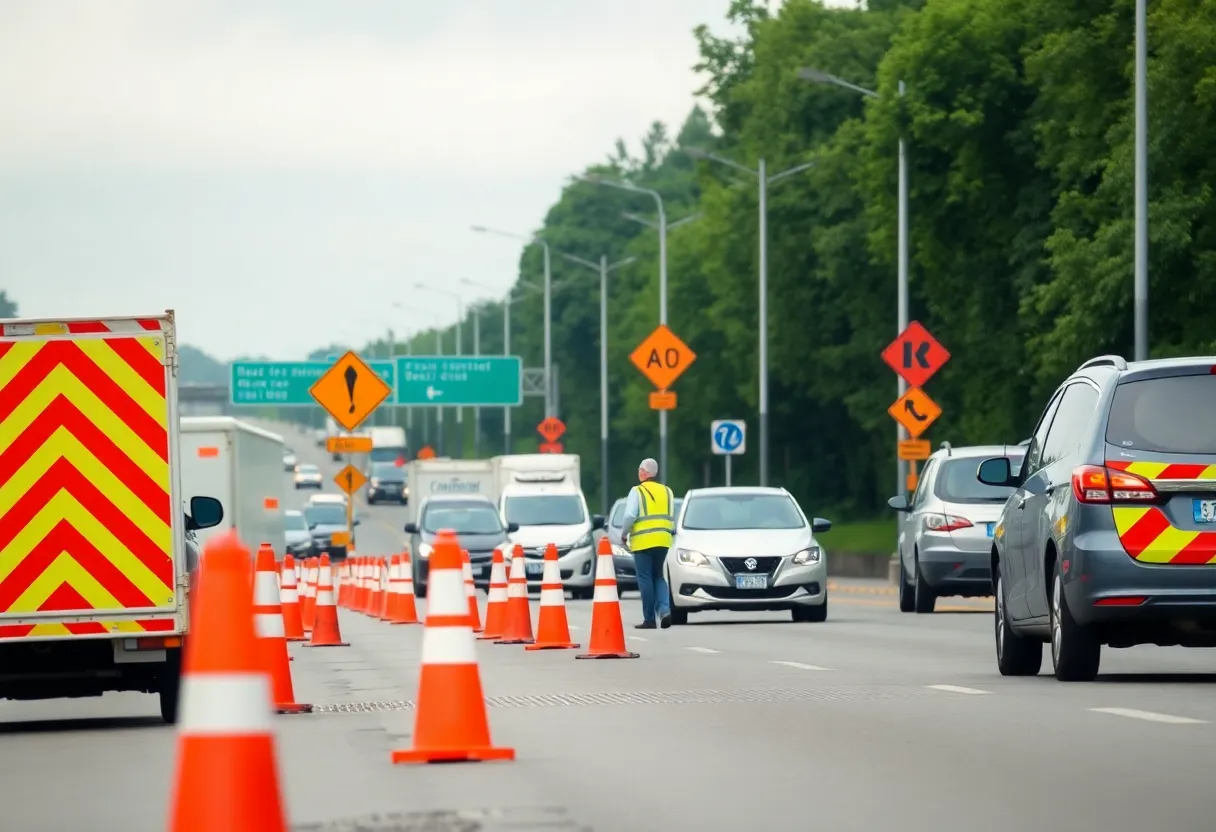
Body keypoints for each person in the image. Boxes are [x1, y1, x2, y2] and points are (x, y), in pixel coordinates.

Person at [619, 457, 674, 629]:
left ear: (645, 471)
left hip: (643, 542)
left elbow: (629, 515)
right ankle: (665, 610)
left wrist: (624, 534)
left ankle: (649, 619)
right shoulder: (667, 491)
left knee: (645, 579)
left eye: (639, 469)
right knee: (659, 576)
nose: (638, 472)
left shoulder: (637, 491)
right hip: (663, 541)